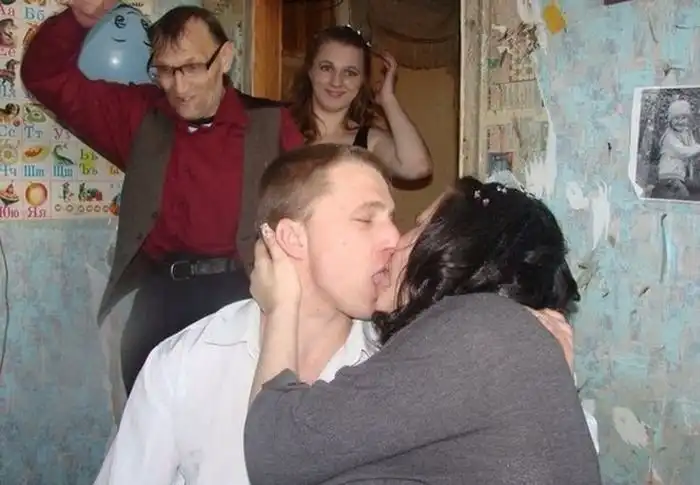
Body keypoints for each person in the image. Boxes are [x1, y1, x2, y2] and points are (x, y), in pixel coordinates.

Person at [92, 145, 578, 485]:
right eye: (366, 218)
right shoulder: (186, 363)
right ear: (291, 238)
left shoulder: (407, 360)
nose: (393, 239)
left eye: (394, 219)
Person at [21, 3, 304, 396]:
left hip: (242, 295)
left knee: (231, 421)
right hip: (159, 300)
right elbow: (44, 77)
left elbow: (308, 214)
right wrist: (79, 20)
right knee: (148, 420)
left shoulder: (272, 125)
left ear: (224, 58)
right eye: (166, 71)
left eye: (191, 67)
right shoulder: (139, 117)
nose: (179, 88)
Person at [244, 176, 602, 485]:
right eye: (365, 220)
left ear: (457, 244)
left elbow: (276, 450)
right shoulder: (503, 341)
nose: (393, 240)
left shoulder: (477, 331)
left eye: (418, 226)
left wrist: (281, 306)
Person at [288, 25, 432, 180]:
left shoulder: (369, 141)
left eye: (350, 73)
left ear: (362, 80)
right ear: (310, 71)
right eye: (326, 68)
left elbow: (417, 168)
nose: (336, 82)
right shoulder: (278, 127)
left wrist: (388, 99)